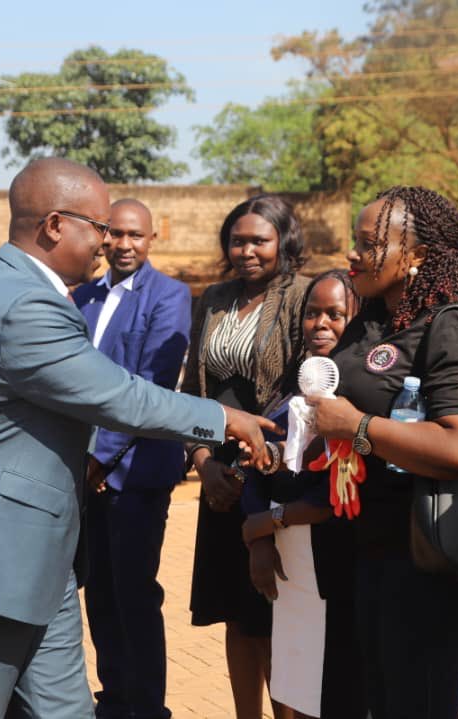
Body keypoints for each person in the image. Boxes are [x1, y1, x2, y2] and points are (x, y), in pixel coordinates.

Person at [0, 158, 276, 719]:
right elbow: (116, 395)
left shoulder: (20, 287)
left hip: (35, 552)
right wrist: (224, 419)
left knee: (66, 711)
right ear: (56, 225)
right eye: (100, 226)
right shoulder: (22, 301)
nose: (107, 241)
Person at [306, 186, 458, 719]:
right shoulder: (373, 318)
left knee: (416, 700)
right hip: (369, 546)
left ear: (415, 256)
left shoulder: (449, 324)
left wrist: (357, 425)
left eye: (368, 244)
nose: (352, 254)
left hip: (425, 557)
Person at [183, 194, 309, 719]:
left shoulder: (304, 297)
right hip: (219, 479)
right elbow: (193, 389)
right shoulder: (213, 298)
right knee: (237, 612)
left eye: (260, 240)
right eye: (238, 240)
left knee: (276, 611)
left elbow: (306, 391)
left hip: (275, 475)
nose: (247, 250)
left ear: (284, 241)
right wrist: (204, 463)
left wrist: (266, 464)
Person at [72, 198, 191, 719]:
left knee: (135, 592)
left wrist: (100, 458)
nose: (124, 245)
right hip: (85, 472)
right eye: (116, 234)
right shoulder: (84, 296)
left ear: (152, 238)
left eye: (135, 235)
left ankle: (147, 707)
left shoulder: (170, 296)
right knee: (98, 590)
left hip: (136, 473)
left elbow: (151, 386)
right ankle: (115, 697)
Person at [240, 269, 367, 719]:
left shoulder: (360, 397)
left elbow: (339, 490)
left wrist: (273, 519)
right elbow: (257, 469)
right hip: (287, 559)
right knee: (293, 675)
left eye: (335, 314)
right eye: (312, 313)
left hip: (334, 560)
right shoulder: (288, 388)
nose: (321, 324)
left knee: (330, 678)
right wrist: (257, 536)